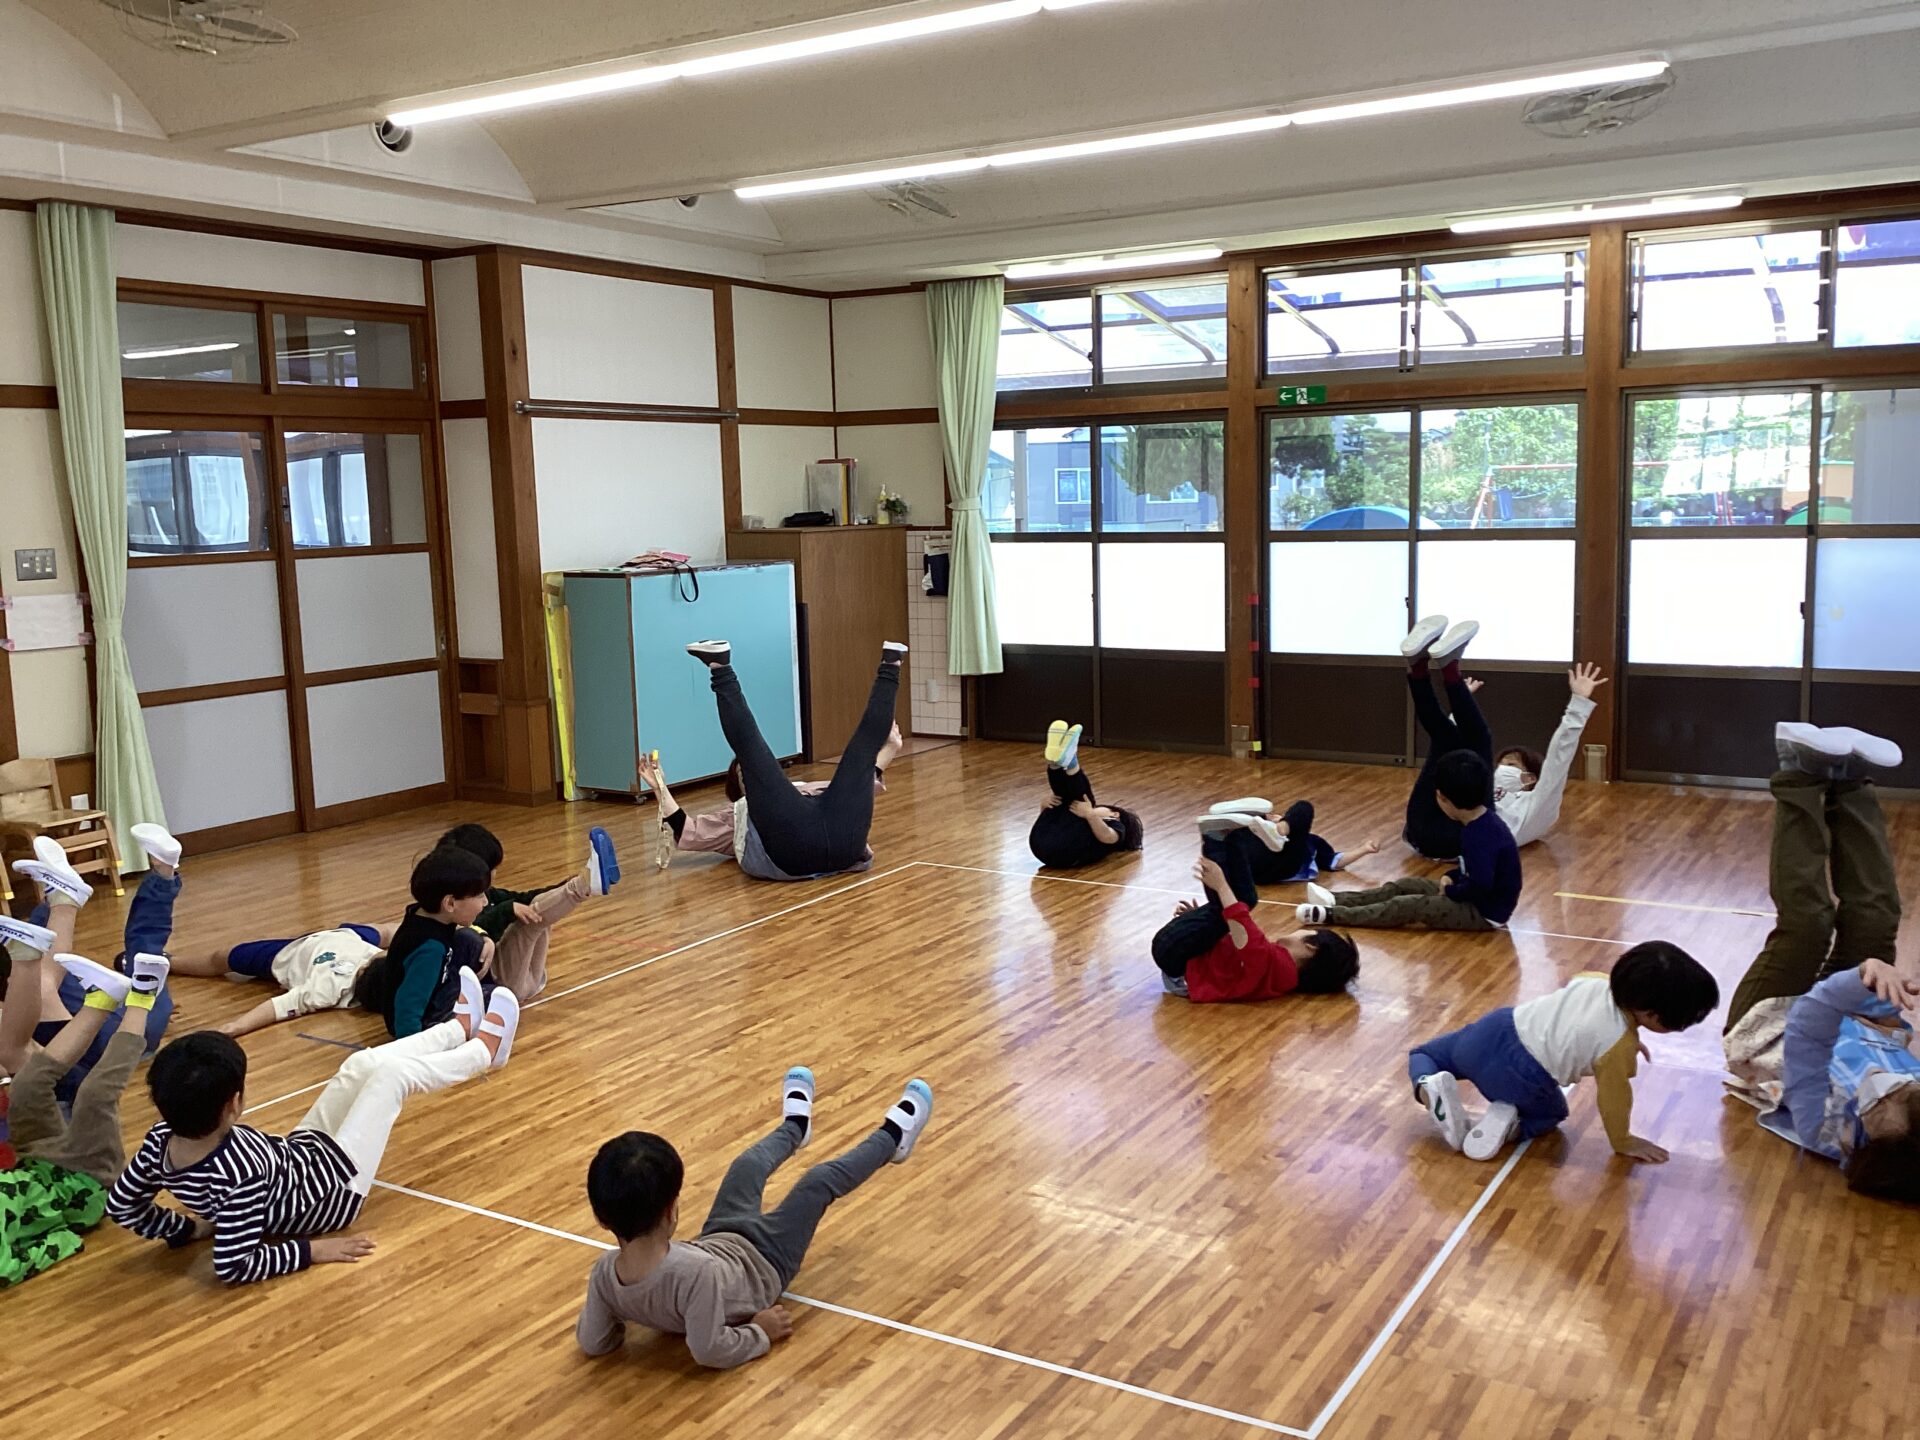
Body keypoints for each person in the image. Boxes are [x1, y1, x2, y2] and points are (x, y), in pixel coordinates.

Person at [108, 967, 518, 1285]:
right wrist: (313, 1251)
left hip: (303, 1157)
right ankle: (483, 1053)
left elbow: (121, 1205)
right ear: (234, 1105)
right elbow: (234, 1265)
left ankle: (455, 1030)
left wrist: (185, 1230)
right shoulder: (240, 1174)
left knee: (359, 1064)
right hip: (335, 1190)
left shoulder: (159, 1140)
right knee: (391, 1079)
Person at [577, 1067, 935, 1368]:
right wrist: (760, 1331)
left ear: (600, 1218)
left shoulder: (606, 1272)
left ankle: (796, 1127)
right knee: (818, 1183)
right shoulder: (697, 1274)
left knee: (746, 1166)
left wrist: (629, 1313)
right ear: (672, 1211)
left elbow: (593, 1341)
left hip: (719, 1237)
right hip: (768, 1259)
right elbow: (710, 1350)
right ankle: (894, 1138)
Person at [1718, 722, 1920, 1200]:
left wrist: (1864, 975)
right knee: (1877, 918)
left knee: (1808, 924)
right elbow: (1888, 1040)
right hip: (1852, 1015)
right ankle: (1850, 781)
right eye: (1903, 1093)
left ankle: (1797, 772)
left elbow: (1809, 1024)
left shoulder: (1822, 1126)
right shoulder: (1909, 1119)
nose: (1885, 1090)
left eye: (1878, 1107)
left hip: (1770, 1025)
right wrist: (1885, 1004)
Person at [1408, 940, 1719, 1163]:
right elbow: (1614, 1098)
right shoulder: (1618, 1048)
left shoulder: (1596, 980)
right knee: (1551, 1114)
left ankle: (1427, 1087)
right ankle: (1510, 1125)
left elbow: (1588, 1016)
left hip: (1495, 1028)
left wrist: (1626, 1035)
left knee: (1425, 1054)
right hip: (1522, 1074)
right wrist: (1623, 1141)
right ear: (1651, 1014)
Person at [0, 915, 169, 1286]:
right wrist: (64, 1241)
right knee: (95, 1096)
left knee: (28, 1082)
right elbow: (6, 1269)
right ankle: (143, 997)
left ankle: (102, 999)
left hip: (34, 1159)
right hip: (84, 1183)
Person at [676, 638, 908, 882]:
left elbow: (861, 780)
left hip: (818, 849)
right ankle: (891, 664)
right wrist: (660, 788)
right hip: (836, 848)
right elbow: (689, 831)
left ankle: (891, 664)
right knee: (861, 748)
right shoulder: (738, 812)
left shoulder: (789, 796)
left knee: (753, 750)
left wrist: (889, 750)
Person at [7, 827, 179, 1099]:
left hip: (106, 1035)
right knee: (44, 978)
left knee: (45, 976)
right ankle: (62, 899)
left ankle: (62, 898)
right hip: (113, 1039)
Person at [1296, 751, 1521, 932]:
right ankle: (1335, 899)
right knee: (1405, 886)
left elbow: (1481, 885)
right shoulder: (1480, 823)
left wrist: (1452, 891)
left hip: (1483, 912)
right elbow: (1473, 871)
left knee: (1410, 905)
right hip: (1473, 896)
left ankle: (1333, 915)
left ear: (1441, 797)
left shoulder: (1479, 835)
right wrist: (1451, 877)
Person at [1151, 819, 1360, 1002]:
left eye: (1307, 931)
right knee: (1237, 904)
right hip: (1183, 956)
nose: (1300, 930)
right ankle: (1229, 834)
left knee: (1243, 901)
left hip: (1177, 959)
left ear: (1311, 947)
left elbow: (1244, 935)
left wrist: (1221, 886)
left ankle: (1219, 837)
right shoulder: (1280, 976)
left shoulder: (1280, 968)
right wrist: (1200, 925)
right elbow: (1233, 948)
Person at [437, 821, 620, 1000]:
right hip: (502, 985)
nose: (494, 874)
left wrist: (560, 887)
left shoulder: (489, 894)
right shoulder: (454, 906)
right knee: (531, 919)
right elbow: (471, 933)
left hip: (530, 978)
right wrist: (507, 910)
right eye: (492, 868)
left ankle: (584, 883)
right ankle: (584, 884)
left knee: (535, 907)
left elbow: (525, 899)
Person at [349, 847, 494, 1038]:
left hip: (437, 986)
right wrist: (414, 1044)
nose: (485, 902)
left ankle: (474, 996)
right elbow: (407, 1010)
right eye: (479, 895)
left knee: (470, 940)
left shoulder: (427, 914)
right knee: (493, 998)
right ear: (450, 903)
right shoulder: (430, 950)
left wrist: (485, 936)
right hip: (427, 1021)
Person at [166, 921, 400, 1039]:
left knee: (222, 958)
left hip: (290, 952)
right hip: (347, 937)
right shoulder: (386, 962)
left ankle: (169, 962)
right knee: (385, 932)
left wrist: (236, 1027)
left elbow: (276, 1007)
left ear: (364, 970)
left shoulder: (324, 990)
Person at [1399, 615, 1491, 859]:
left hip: (1459, 835)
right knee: (1445, 737)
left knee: (1478, 738)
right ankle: (1419, 666)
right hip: (1420, 827)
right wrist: (1463, 700)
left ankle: (1448, 669)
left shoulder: (1489, 826)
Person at [1492, 662, 1607, 848]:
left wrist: (1578, 704)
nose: (1501, 770)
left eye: (1511, 765)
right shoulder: (1483, 792)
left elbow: (1559, 756)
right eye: (1500, 765)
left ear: (1530, 777)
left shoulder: (1537, 805)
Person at [1027, 720, 1144, 870]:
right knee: (1062, 799)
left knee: (1083, 802)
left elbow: (1108, 837)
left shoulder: (1116, 825)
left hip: (1067, 853)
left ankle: (1070, 762)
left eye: (1101, 807)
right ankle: (1055, 763)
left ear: (1114, 814)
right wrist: (1046, 808)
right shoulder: (1078, 819)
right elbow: (1054, 827)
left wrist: (1091, 814)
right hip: (1042, 846)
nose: (1095, 808)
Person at [1202, 796, 1377, 886]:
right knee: (1239, 838)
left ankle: (1276, 829)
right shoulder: (1259, 832)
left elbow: (1335, 861)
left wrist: (1364, 849)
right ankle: (1225, 828)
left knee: (1304, 806)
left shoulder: (1311, 842)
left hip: (1279, 866)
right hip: (1251, 867)